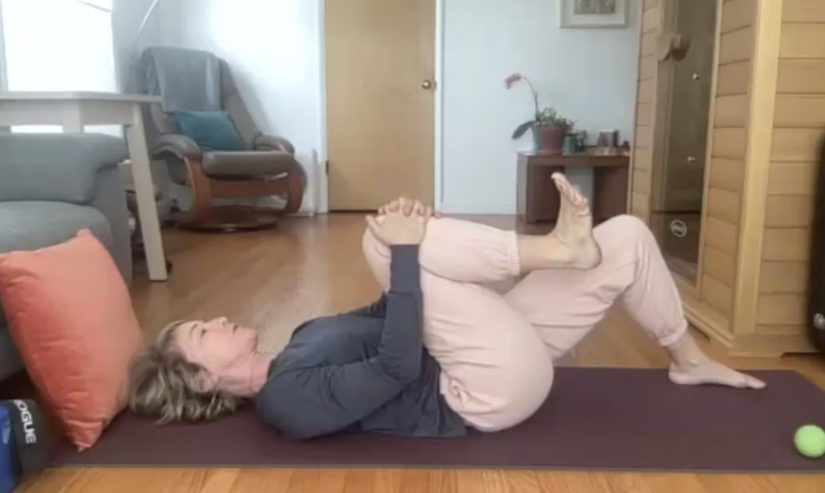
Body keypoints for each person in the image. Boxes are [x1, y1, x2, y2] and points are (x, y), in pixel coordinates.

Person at [129, 174, 764, 439]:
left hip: (489, 350)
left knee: (621, 238)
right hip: (481, 392)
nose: (215, 319)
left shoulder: (299, 339)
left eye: (203, 318)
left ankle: (687, 357)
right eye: (201, 333)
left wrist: (425, 244)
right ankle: (553, 248)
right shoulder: (284, 402)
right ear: (204, 378)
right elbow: (400, 367)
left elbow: (395, 311)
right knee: (381, 240)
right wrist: (405, 253)